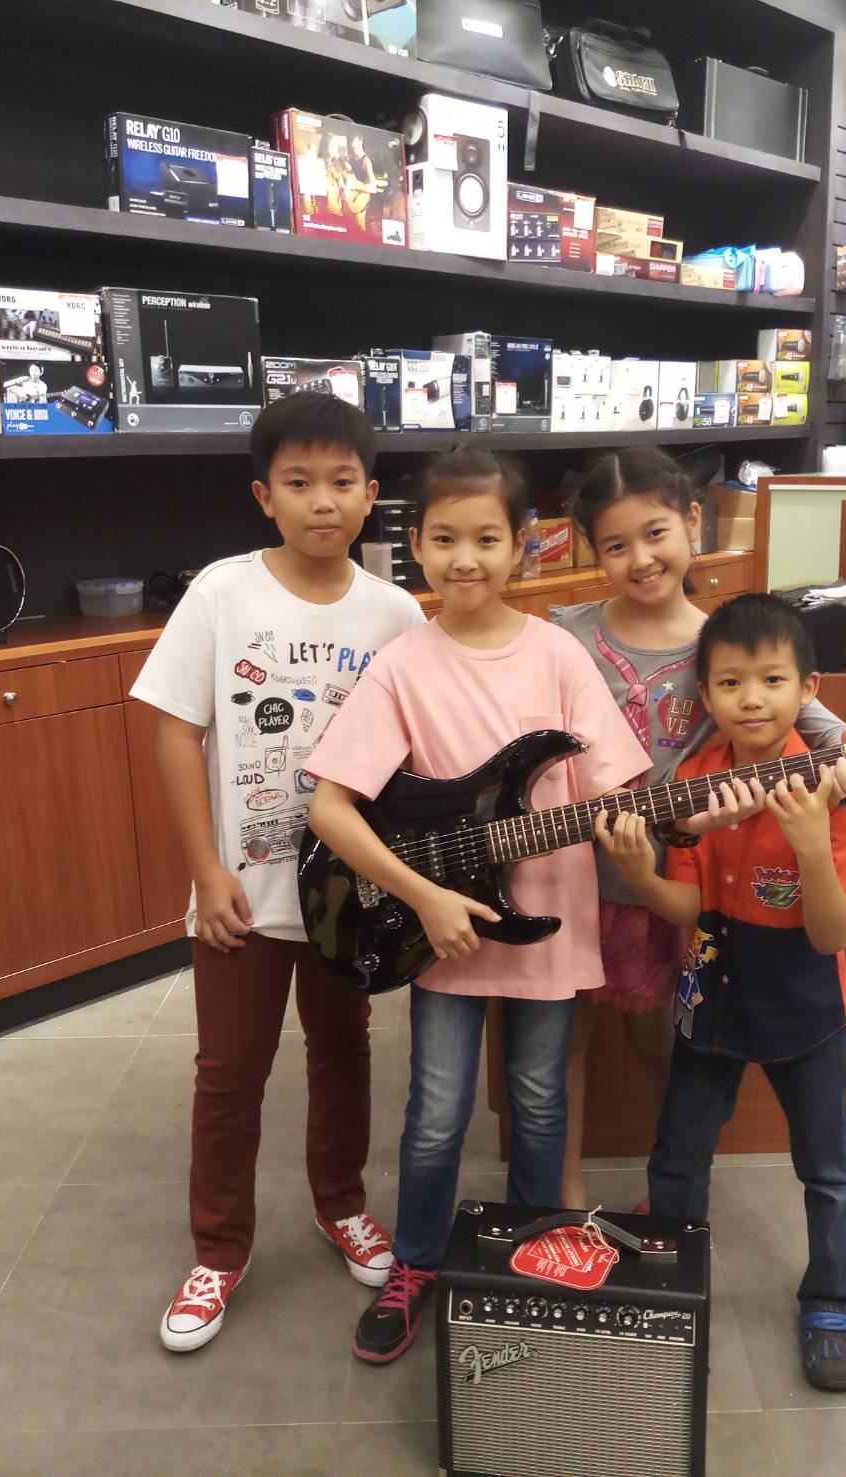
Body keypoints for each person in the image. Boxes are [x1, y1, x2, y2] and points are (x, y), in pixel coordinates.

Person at [306, 445, 650, 1365]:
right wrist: (424, 897)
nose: (466, 558)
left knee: (538, 1101)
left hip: (548, 922)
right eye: (446, 538)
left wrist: (658, 822)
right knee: (436, 1111)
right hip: (441, 932)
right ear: (415, 545)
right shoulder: (401, 666)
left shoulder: (559, 655)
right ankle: (416, 1262)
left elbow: (615, 785)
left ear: (522, 546)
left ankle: (534, 1259)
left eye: (488, 538)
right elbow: (329, 807)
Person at [131, 393, 425, 1353]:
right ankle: (219, 1249)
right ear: (264, 496)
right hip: (241, 896)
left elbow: (414, 753)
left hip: (349, 896)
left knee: (344, 1051)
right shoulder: (222, 593)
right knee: (228, 1072)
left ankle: (340, 1203)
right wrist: (204, 870)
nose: (322, 501)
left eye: (342, 482)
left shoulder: (396, 611)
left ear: (372, 494)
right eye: (298, 483)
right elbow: (176, 733)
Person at [553, 447, 846, 1211]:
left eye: (655, 533)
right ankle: (562, 1188)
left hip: (671, 877)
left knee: (665, 1037)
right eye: (615, 544)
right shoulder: (567, 633)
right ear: (592, 550)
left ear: (692, 520)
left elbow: (821, 723)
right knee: (562, 1039)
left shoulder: (723, 643)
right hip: (567, 872)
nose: (640, 558)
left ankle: (674, 1184)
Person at [598, 592, 846, 1392]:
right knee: (678, 1150)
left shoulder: (832, 787)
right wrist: (641, 875)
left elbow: (833, 936)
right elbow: (687, 907)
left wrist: (812, 845)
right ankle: (671, 1279)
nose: (751, 699)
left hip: (806, 1002)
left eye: (772, 680)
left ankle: (830, 1298)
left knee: (827, 1166)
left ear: (808, 688)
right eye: (730, 683)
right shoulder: (693, 778)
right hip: (710, 992)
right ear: (706, 695)